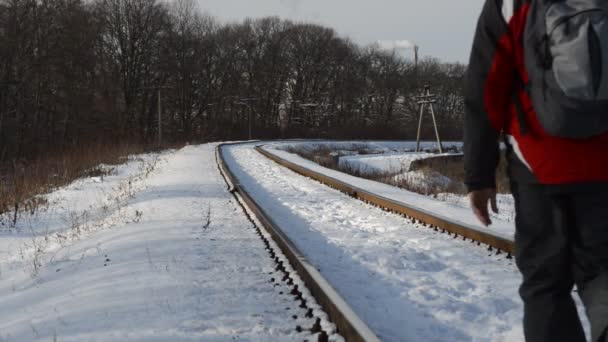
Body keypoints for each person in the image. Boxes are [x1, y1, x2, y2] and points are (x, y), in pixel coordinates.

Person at [465, 0, 608, 341]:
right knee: (603, 272)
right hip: (603, 167)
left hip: (538, 166)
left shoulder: (511, 6)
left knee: (545, 283)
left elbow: (486, 90)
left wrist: (480, 176)